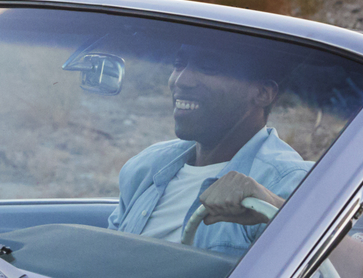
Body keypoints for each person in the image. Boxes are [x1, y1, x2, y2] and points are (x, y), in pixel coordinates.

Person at [107, 48, 311, 255]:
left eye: (209, 68)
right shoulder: (147, 165)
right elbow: (106, 260)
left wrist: (276, 207)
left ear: (262, 93)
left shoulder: (290, 184)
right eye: (178, 65)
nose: (181, 80)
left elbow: (313, 277)